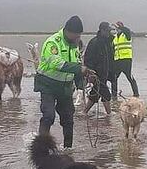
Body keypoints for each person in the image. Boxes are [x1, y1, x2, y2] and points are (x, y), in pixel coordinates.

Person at [34, 15, 95, 148]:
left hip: (65, 87)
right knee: (49, 115)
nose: (78, 38)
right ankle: (40, 147)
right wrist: (80, 68)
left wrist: (84, 79)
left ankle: (68, 149)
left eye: (79, 35)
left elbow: (77, 66)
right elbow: (57, 63)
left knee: (68, 119)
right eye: (76, 35)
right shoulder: (52, 42)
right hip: (47, 85)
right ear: (68, 31)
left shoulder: (74, 46)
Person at [83, 22, 114, 115]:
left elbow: (109, 59)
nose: (109, 33)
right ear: (102, 30)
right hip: (96, 74)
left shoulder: (107, 43)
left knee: (95, 94)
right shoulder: (94, 42)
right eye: (107, 31)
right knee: (106, 94)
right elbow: (87, 59)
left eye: (109, 31)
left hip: (104, 73)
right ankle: (109, 114)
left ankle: (84, 112)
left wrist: (111, 73)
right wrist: (91, 73)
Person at [111, 21, 139, 98]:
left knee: (129, 77)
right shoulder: (115, 37)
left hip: (126, 60)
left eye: (118, 27)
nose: (117, 29)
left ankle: (136, 94)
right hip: (117, 60)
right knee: (114, 78)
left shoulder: (126, 35)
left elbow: (127, 30)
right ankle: (114, 95)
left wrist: (119, 26)